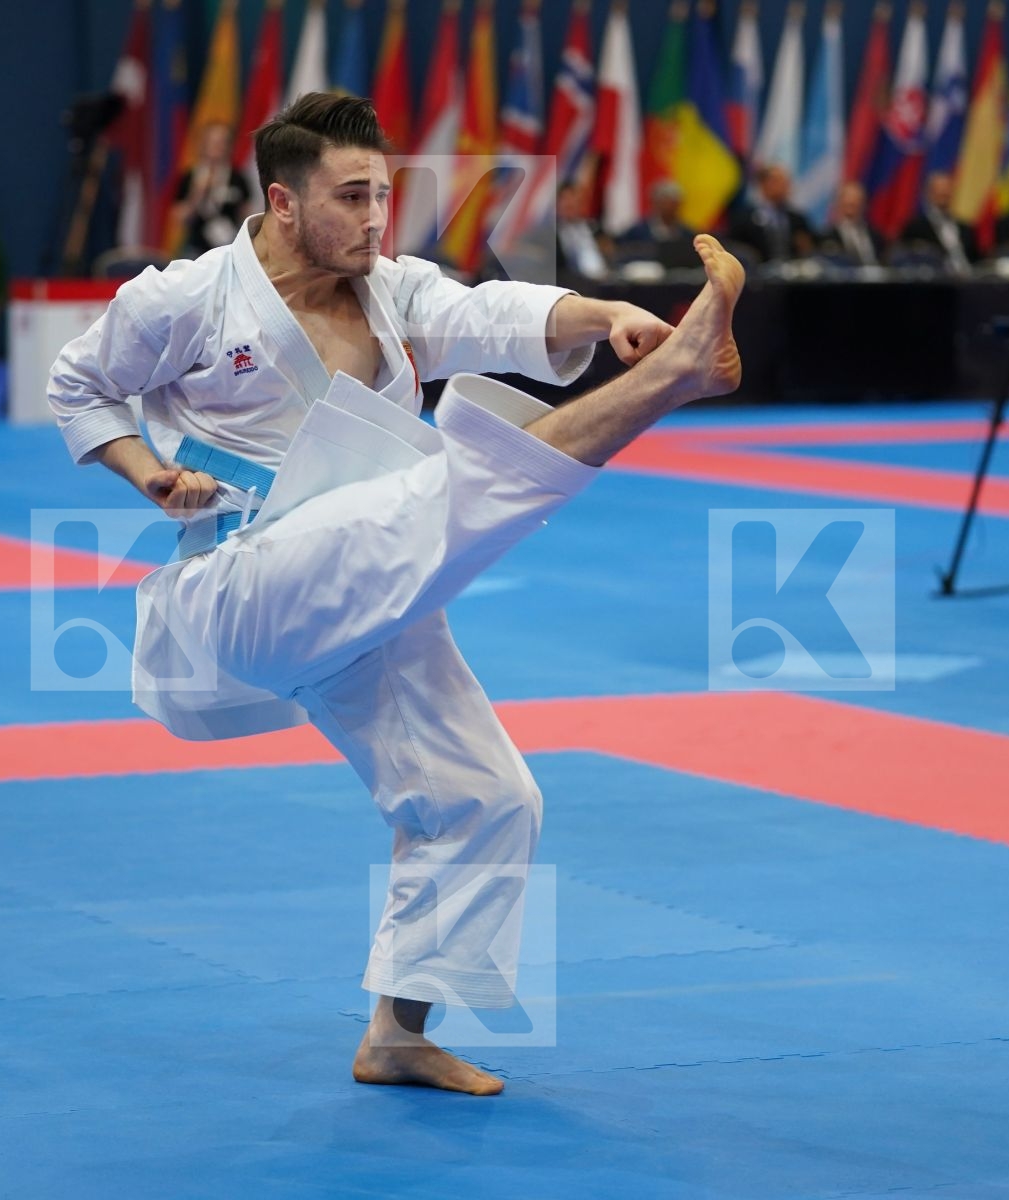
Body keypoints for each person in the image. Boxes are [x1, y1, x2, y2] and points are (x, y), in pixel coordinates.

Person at [48, 93, 746, 1095]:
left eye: (383, 194)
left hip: (361, 586)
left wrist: (604, 315)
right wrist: (145, 470)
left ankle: (397, 1033)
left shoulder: (391, 291)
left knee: (488, 799)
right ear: (282, 203)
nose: (375, 218)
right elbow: (78, 384)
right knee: (443, 491)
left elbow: (487, 313)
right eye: (351, 197)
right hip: (237, 586)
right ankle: (667, 386)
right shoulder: (187, 299)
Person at [171, 122, 252, 256]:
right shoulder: (190, 176)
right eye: (213, 142)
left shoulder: (238, 178)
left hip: (229, 246)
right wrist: (198, 193)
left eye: (222, 142)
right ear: (203, 144)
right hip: (195, 248)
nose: (217, 147)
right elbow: (179, 217)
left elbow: (248, 215)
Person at [726, 164, 814, 264]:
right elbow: (735, 248)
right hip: (757, 274)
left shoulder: (797, 218)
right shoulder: (744, 218)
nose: (783, 186)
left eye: (786, 182)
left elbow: (808, 247)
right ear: (763, 185)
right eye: (777, 181)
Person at [898, 172, 981, 274]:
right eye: (940, 192)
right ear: (929, 194)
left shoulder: (966, 228)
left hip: (970, 282)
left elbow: (978, 261)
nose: (944, 194)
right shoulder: (915, 228)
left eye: (947, 191)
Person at [617, 179, 700, 271]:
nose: (670, 207)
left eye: (674, 203)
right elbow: (623, 257)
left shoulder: (688, 233)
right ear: (655, 203)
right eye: (665, 202)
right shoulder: (636, 232)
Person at [816, 181, 884, 268]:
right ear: (839, 204)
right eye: (848, 205)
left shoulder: (876, 236)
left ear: (864, 205)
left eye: (856, 204)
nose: (852, 209)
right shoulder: (826, 236)